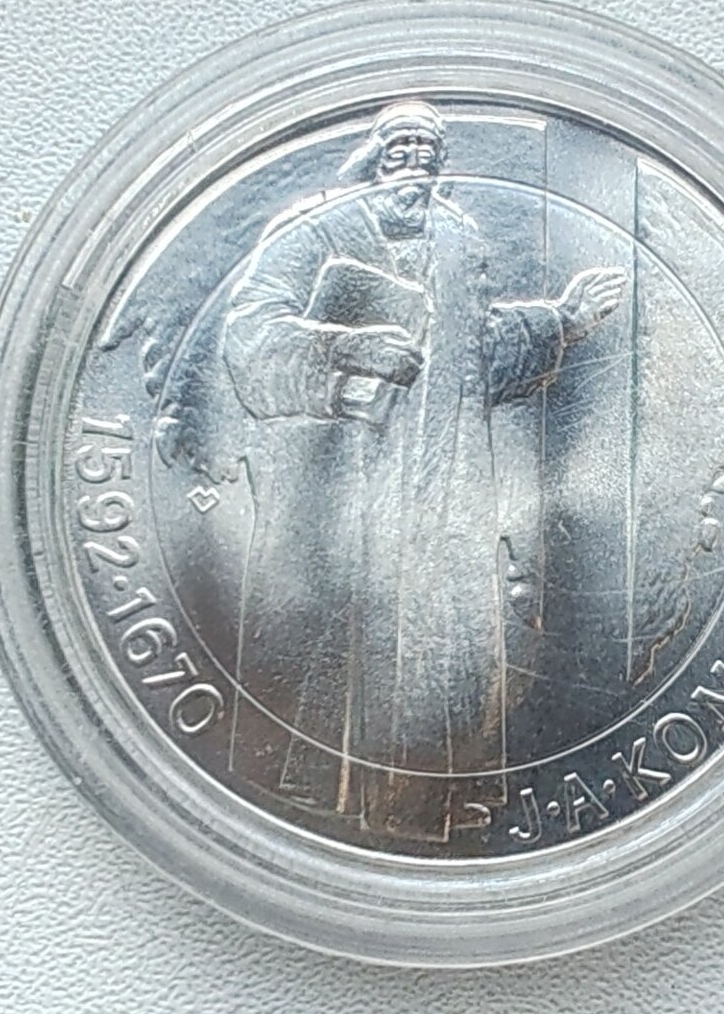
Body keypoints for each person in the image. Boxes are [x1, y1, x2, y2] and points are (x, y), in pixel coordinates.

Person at [220, 101, 626, 841]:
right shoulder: (315, 231)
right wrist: (346, 354)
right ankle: (316, 812)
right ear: (373, 160)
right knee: (340, 650)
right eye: (399, 151)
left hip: (446, 496)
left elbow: (476, 359)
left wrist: (560, 321)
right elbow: (248, 339)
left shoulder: (456, 241)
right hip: (345, 494)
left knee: (448, 650)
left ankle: (429, 805)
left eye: (426, 154)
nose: (413, 167)